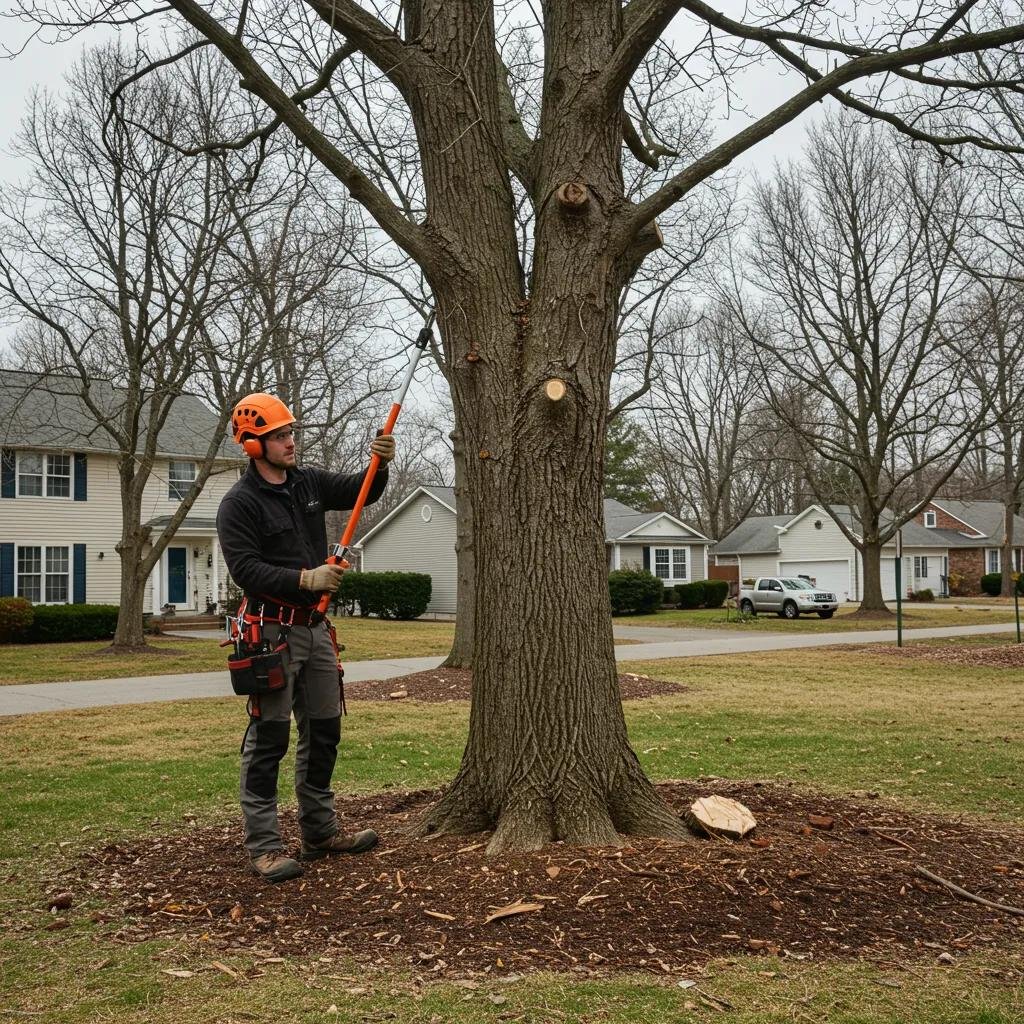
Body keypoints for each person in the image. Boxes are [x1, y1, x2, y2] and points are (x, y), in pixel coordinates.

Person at [217, 392, 395, 883]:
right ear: (253, 445)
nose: (290, 442)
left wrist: (378, 466)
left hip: (314, 631)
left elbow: (362, 491)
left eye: (290, 432)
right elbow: (245, 569)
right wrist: (306, 579)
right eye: (279, 436)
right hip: (268, 633)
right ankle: (265, 846)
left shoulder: (308, 482)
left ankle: (320, 832)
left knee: (324, 730)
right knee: (270, 737)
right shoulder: (239, 504)